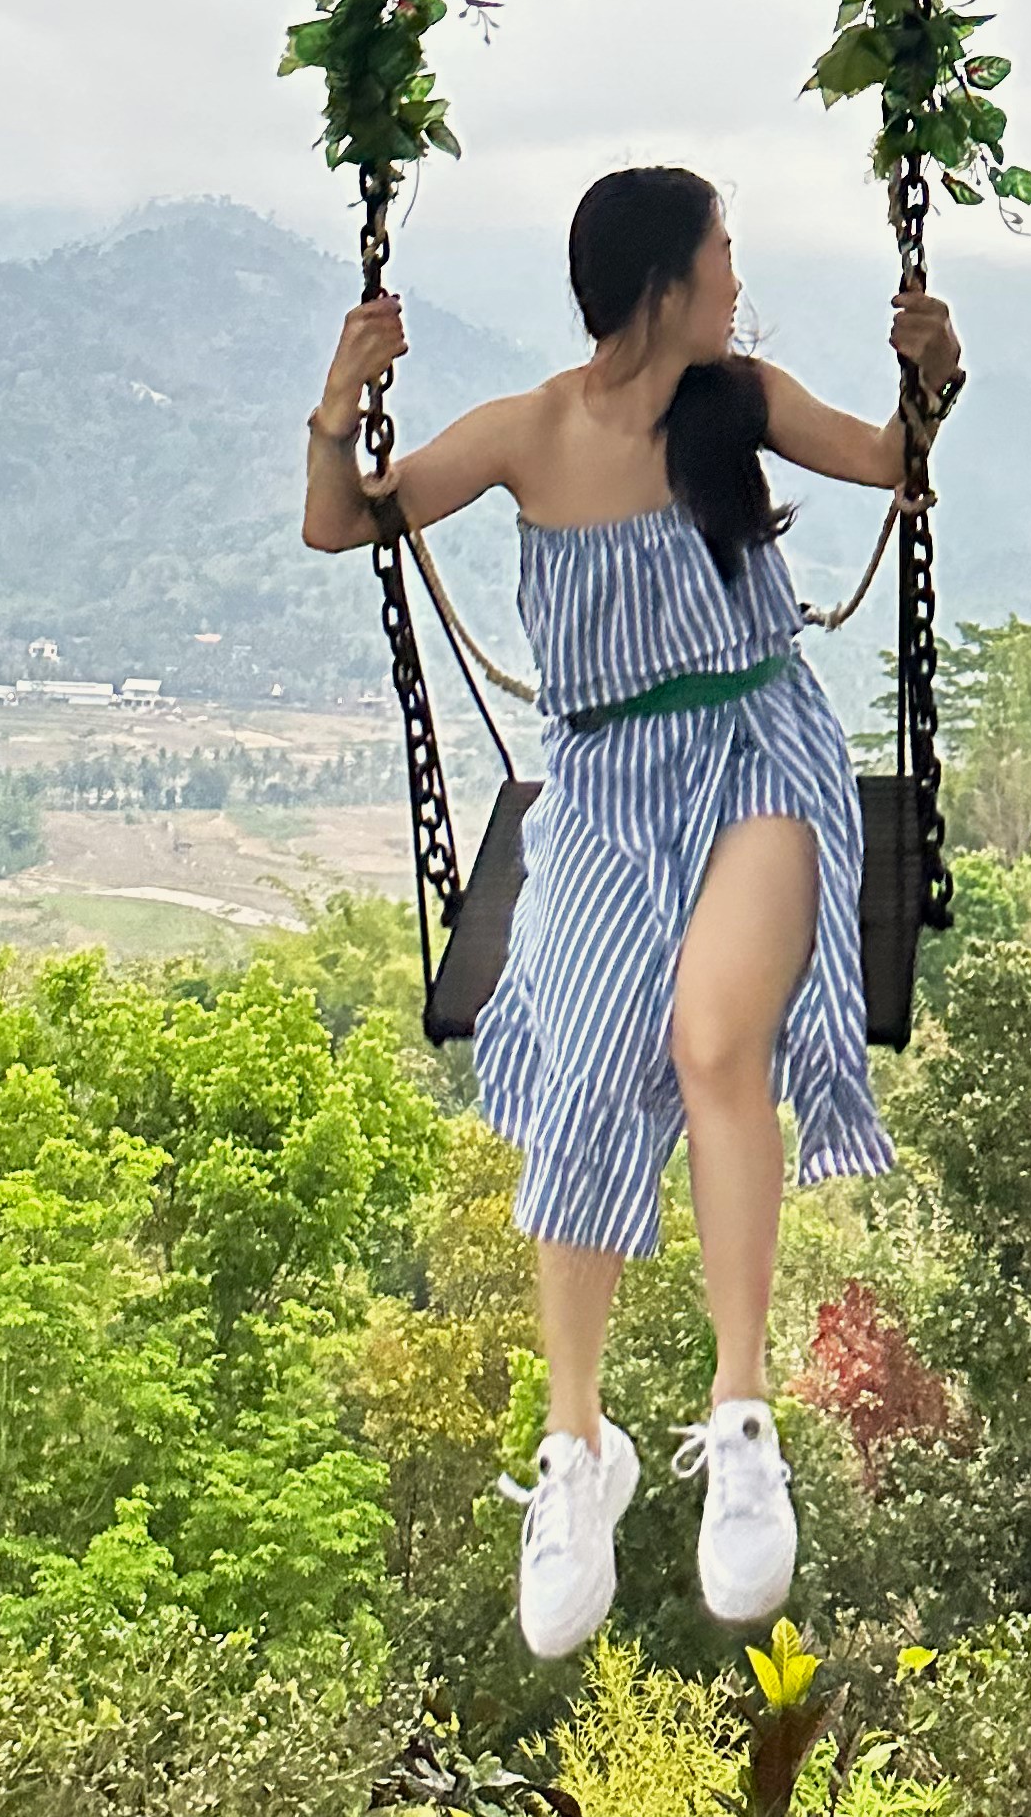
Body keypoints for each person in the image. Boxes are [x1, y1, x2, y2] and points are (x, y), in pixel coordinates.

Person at [302, 162, 963, 1661]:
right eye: (723, 258)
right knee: (593, 1060)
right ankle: (580, 1448)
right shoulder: (528, 436)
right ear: (661, 284)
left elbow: (891, 464)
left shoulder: (739, 396)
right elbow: (343, 525)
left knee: (715, 1038)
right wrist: (341, 401)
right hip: (605, 787)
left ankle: (742, 1420)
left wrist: (935, 384)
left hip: (757, 752)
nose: (740, 280)